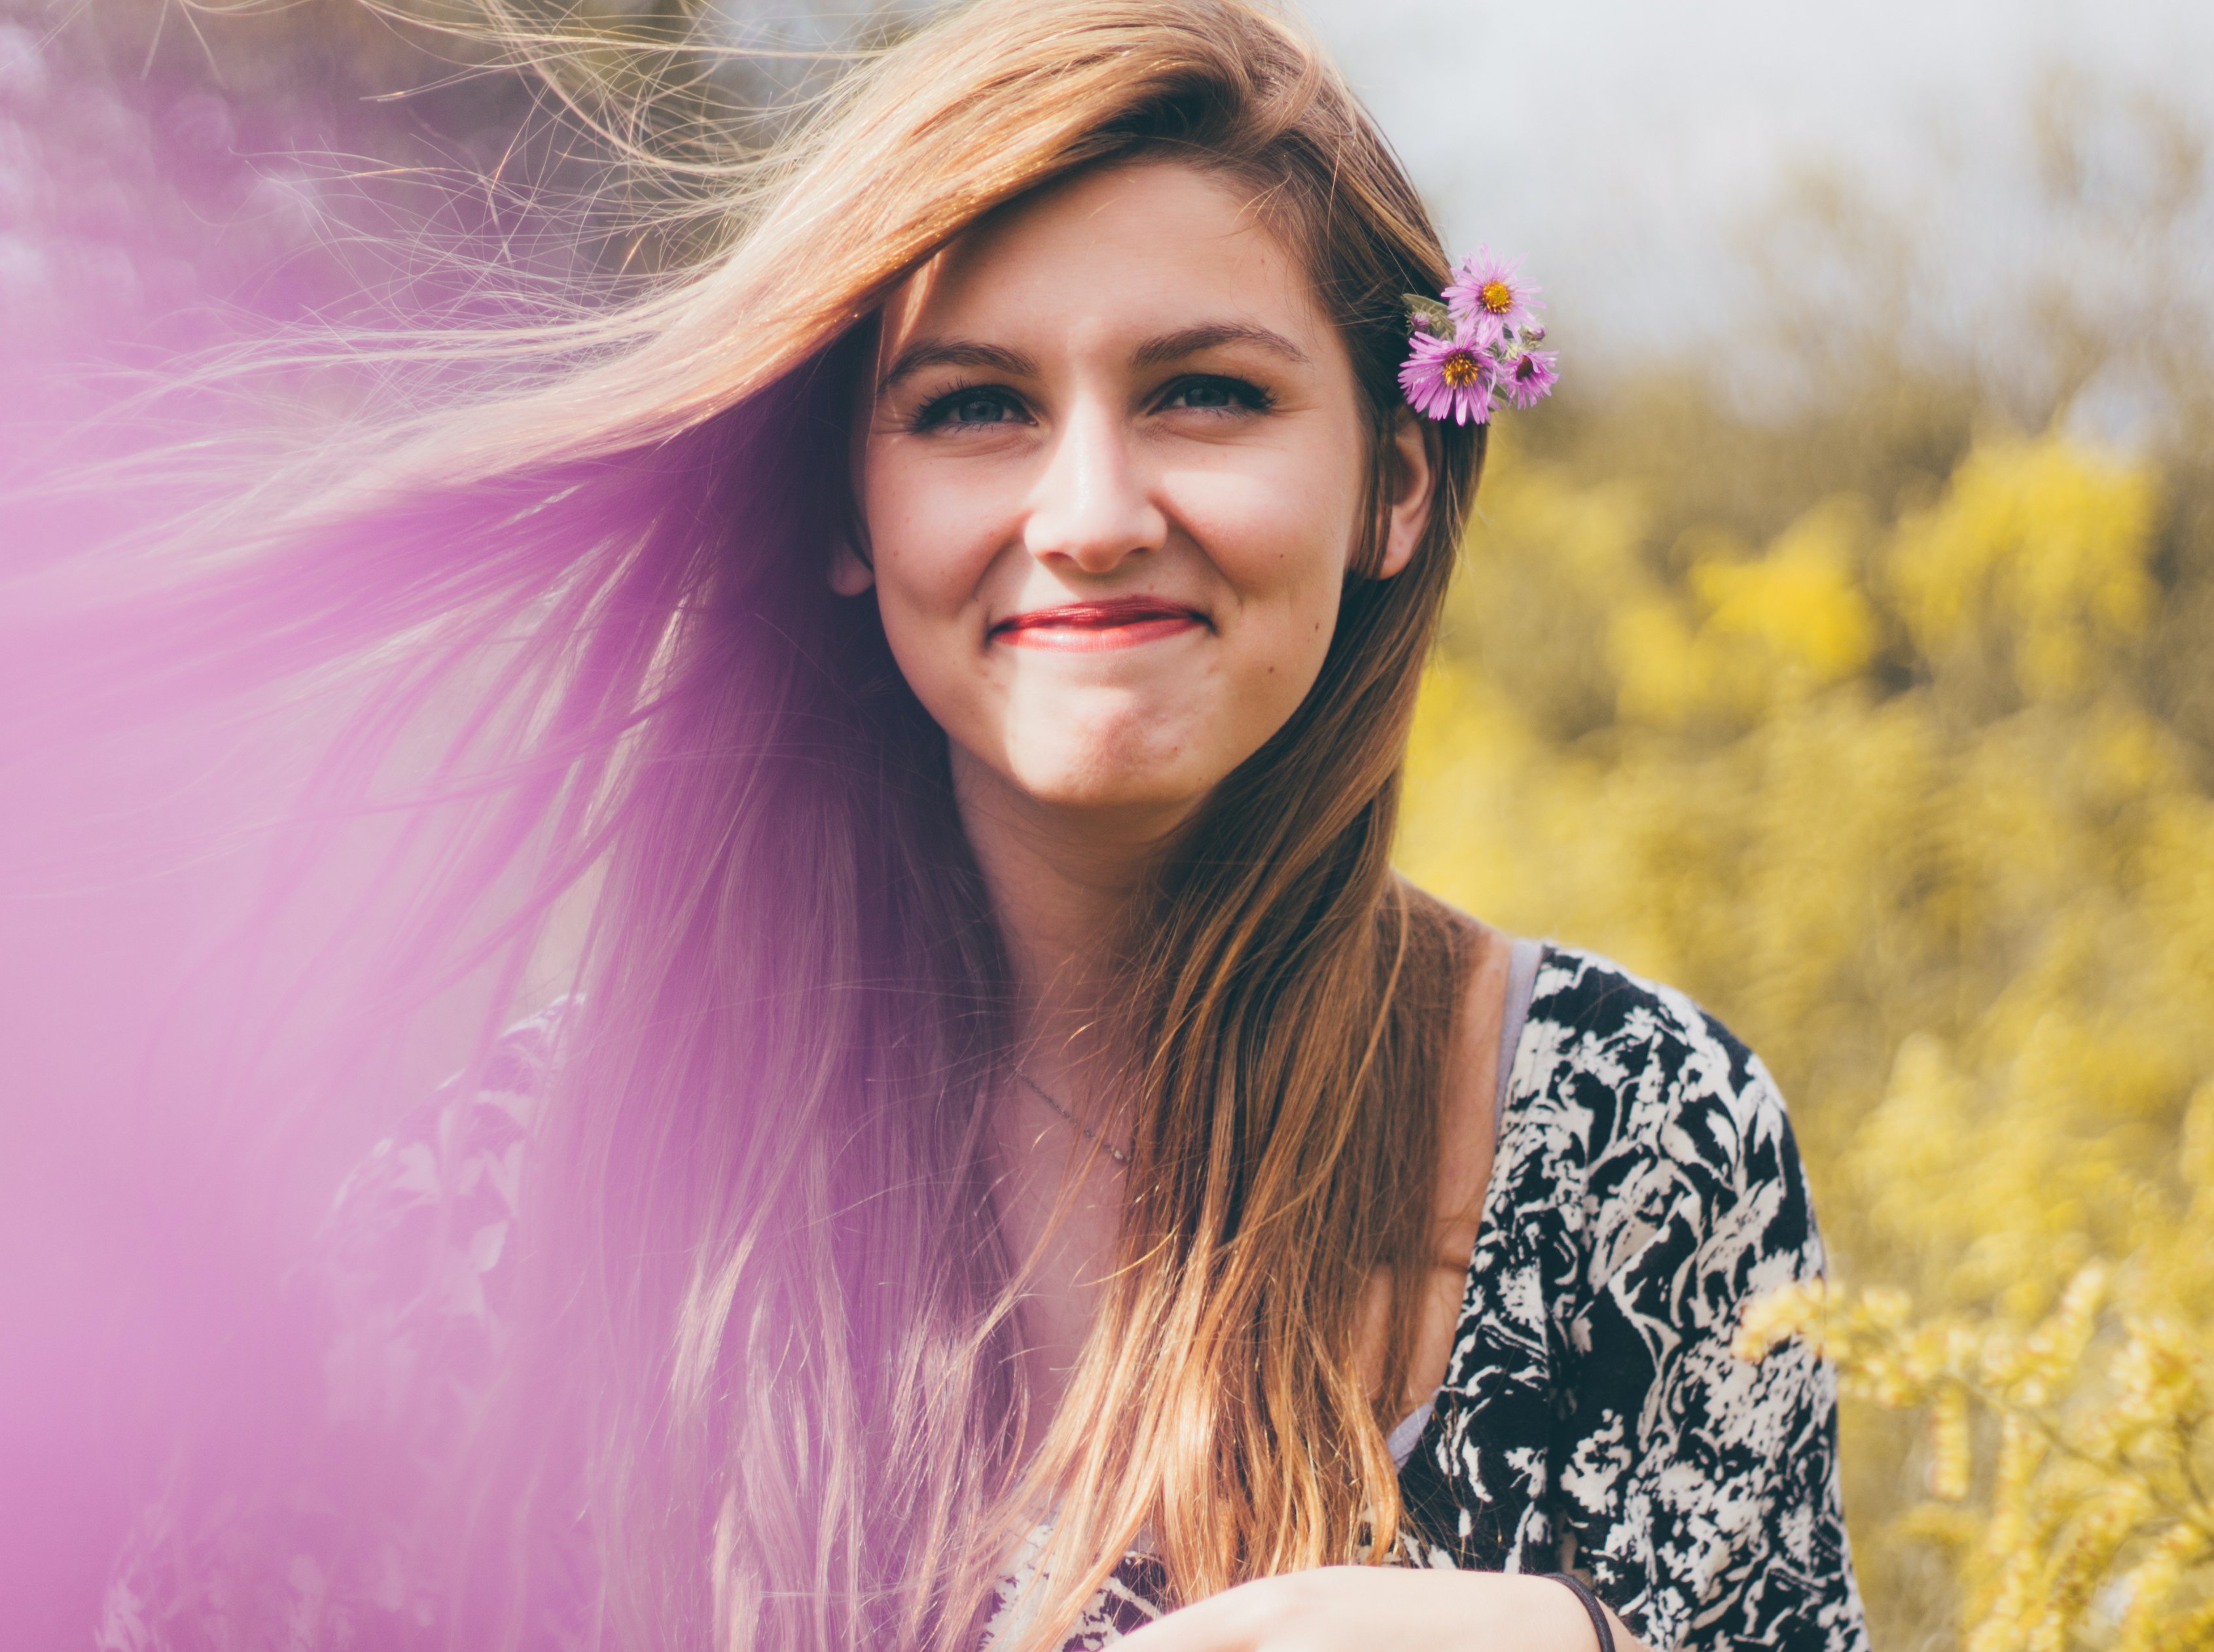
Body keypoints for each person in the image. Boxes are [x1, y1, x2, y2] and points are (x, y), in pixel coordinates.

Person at [85, 1, 1868, 1648]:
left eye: (1206, 392)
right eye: (977, 410)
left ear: (1397, 480)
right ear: (849, 518)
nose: (1090, 515)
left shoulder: (1641, 1142)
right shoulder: (531, 1190)